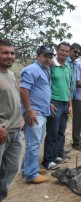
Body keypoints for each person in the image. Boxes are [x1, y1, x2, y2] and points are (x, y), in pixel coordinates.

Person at [20, 45, 55, 183]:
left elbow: (41, 89)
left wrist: (49, 103)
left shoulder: (45, 69)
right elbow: (23, 89)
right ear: (38, 55)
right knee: (33, 144)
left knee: (36, 142)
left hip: (42, 110)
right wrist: (29, 110)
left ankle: (28, 168)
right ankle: (31, 174)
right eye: (45, 56)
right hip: (34, 112)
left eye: (50, 56)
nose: (48, 59)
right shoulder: (32, 69)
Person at [42, 42, 71, 170]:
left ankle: (55, 156)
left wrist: (70, 105)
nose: (64, 53)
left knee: (61, 132)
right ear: (57, 50)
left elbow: (68, 87)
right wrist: (49, 102)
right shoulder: (51, 66)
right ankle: (48, 160)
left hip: (65, 103)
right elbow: (46, 85)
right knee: (52, 132)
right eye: (62, 50)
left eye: (66, 51)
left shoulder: (67, 67)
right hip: (55, 103)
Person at [0, 39, 22, 200]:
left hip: (15, 132)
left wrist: (20, 116)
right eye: (5, 52)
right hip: (1, 132)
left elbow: (13, 98)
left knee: (11, 169)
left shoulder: (11, 74)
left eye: (12, 53)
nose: (9, 56)